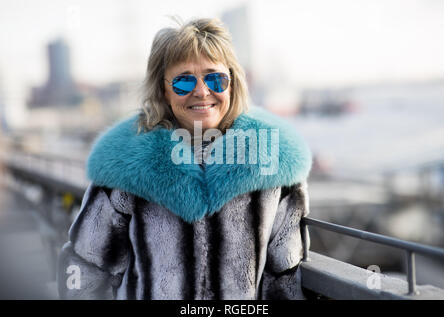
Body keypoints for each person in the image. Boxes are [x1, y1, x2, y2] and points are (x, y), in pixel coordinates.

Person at [57, 17, 312, 300]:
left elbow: (284, 278)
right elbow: (87, 269)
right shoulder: (126, 166)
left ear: (232, 84)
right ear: (163, 90)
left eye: (216, 78)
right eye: (183, 81)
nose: (202, 91)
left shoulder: (273, 161)